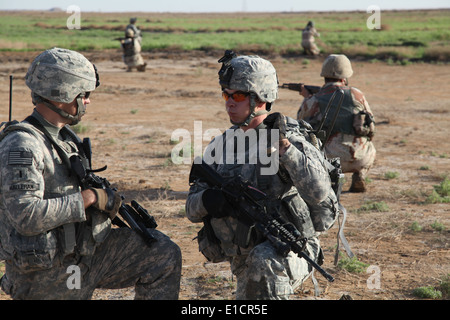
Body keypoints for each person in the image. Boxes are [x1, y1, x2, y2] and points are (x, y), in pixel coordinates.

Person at [0, 47, 181, 299]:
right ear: (63, 93)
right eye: (84, 95)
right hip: (44, 273)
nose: (87, 101)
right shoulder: (22, 144)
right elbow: (26, 216)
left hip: (81, 253)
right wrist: (89, 199)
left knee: (162, 253)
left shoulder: (64, 138)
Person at [186, 51, 339, 300]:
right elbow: (191, 210)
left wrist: (286, 150)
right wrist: (209, 200)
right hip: (243, 256)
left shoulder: (290, 138)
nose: (229, 103)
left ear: (261, 98)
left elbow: (319, 193)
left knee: (263, 263)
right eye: (226, 94)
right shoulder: (220, 145)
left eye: (237, 95)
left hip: (291, 249)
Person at [297, 54, 376, 192]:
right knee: (371, 148)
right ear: (345, 77)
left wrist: (307, 98)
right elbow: (371, 126)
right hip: (360, 157)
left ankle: (328, 179)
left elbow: (300, 124)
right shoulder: (357, 94)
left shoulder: (315, 98)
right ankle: (360, 174)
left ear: (324, 75)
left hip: (329, 159)